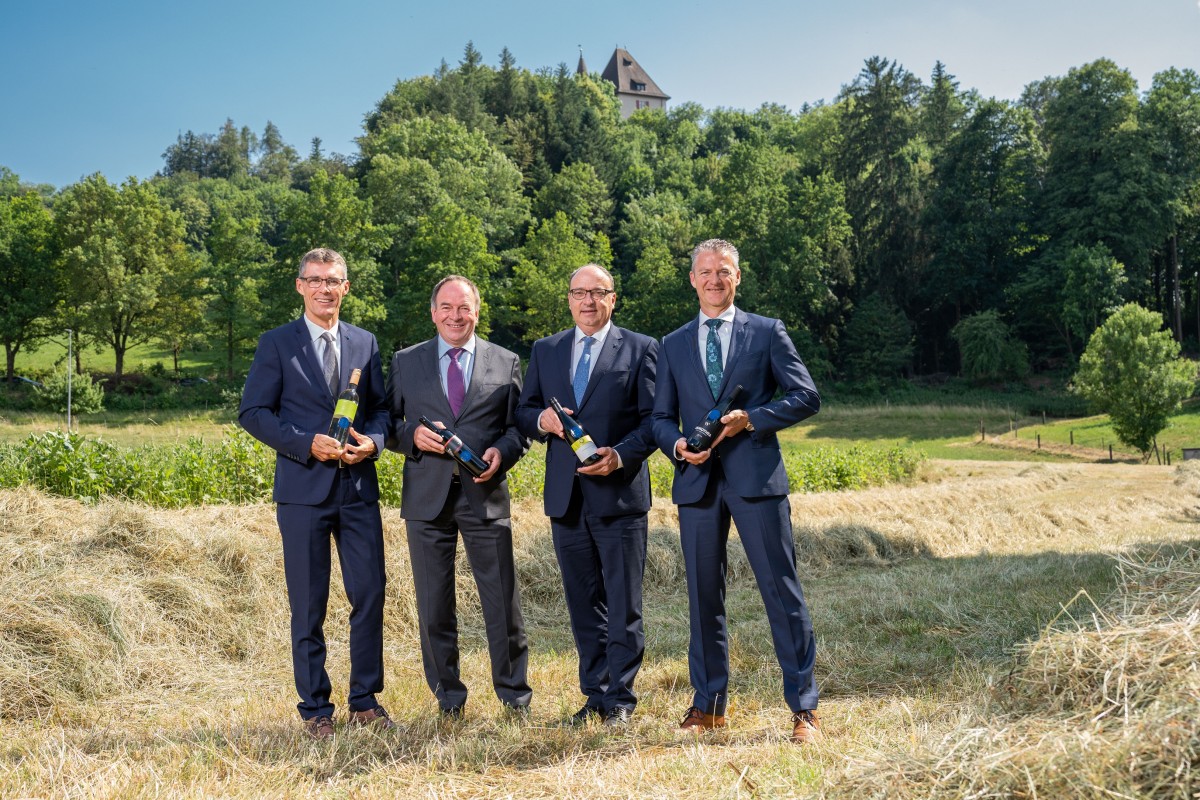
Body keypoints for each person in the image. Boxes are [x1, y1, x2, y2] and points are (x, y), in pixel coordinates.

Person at [651, 239, 824, 743]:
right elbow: (660, 418)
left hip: (756, 479)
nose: (714, 279)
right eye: (705, 272)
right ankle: (708, 706)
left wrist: (754, 420)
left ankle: (804, 709)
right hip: (697, 483)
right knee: (703, 596)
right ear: (692, 279)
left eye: (723, 271)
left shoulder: (768, 332)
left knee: (780, 591)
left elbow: (806, 395)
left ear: (737, 277)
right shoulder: (673, 342)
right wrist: (678, 445)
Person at [239, 248, 393, 739]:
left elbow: (383, 411)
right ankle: (315, 710)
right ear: (301, 286)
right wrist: (305, 443)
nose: (326, 289)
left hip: (357, 488)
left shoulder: (365, 343)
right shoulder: (276, 343)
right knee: (309, 604)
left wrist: (376, 441)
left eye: (335, 281)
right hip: (303, 492)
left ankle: (365, 700)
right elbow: (254, 413)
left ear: (346, 288)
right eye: (316, 280)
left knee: (369, 595)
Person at [516, 264, 658, 728]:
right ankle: (594, 694)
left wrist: (620, 455)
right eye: (579, 293)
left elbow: (653, 421)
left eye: (598, 293)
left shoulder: (640, 349)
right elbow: (524, 411)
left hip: (619, 496)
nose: (588, 301)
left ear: (613, 299)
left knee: (622, 602)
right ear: (569, 299)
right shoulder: (547, 349)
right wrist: (544, 422)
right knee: (583, 603)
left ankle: (621, 698)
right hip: (567, 499)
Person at [385, 275, 532, 718]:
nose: (455, 316)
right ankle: (449, 699)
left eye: (464, 307)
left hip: (483, 494)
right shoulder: (405, 362)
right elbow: (386, 423)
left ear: (477, 311)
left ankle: (514, 697)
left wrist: (501, 453)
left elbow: (518, 429)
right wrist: (412, 435)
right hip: (426, 498)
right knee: (434, 606)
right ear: (433, 313)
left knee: (501, 602)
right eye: (446, 307)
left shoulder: (505, 361)